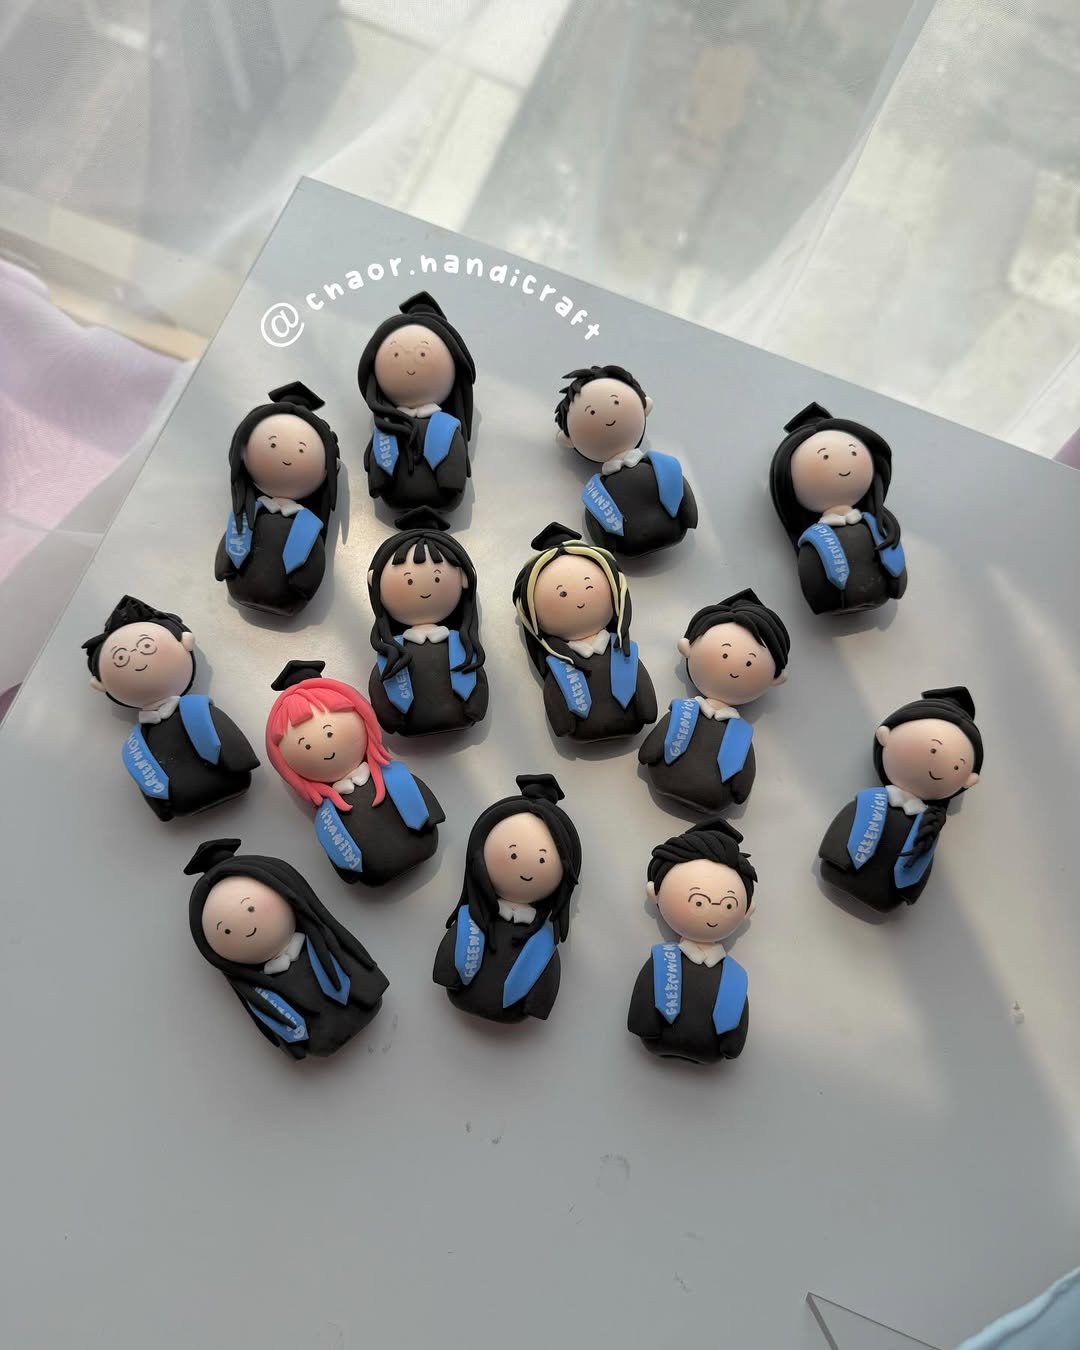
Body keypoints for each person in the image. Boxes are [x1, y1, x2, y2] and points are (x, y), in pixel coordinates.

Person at [185, 838, 388, 1060]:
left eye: (250, 908)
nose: (245, 928)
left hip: (361, 1000)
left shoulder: (328, 946)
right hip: (318, 1041)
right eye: (226, 931)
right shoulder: (263, 996)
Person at [265, 660, 444, 886]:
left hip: (420, 838)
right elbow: (335, 844)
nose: (325, 748)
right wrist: (351, 870)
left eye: (329, 734)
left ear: (363, 718)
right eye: (306, 746)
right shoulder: (327, 816)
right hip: (374, 866)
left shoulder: (395, 776)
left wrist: (431, 817)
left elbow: (419, 798)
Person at [83, 594, 258, 821]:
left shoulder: (198, 709)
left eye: (146, 646)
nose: (136, 659)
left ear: (185, 643)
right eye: (121, 658)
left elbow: (225, 734)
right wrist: (160, 804)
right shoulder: (138, 740)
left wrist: (240, 762)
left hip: (227, 774)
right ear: (101, 685)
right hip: (181, 796)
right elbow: (144, 769)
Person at [818, 686, 984, 912]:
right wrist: (834, 855)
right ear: (885, 736)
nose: (938, 767)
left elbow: (922, 859)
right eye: (933, 750)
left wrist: (908, 892)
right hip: (842, 868)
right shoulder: (870, 802)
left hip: (885, 893)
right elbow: (846, 825)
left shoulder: (928, 826)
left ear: (967, 781)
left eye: (957, 767)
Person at [433, 774, 581, 1023]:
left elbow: (545, 975)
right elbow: (451, 953)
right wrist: (447, 973)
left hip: (513, 1007)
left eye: (542, 859)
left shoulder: (542, 942)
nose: (526, 868)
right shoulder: (472, 922)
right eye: (513, 855)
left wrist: (537, 1002)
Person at [639, 588, 790, 811]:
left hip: (713, 794)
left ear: (775, 678)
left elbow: (744, 772)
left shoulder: (740, 734)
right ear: (687, 648)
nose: (734, 669)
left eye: (749, 662)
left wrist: (740, 786)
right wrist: (650, 752)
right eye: (725, 654)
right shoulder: (683, 712)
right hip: (668, 777)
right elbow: (654, 745)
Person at [512, 522, 657, 742]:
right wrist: (563, 722)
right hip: (584, 728)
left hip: (631, 721)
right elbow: (554, 694)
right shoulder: (560, 666)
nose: (579, 601)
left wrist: (647, 709)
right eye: (562, 594)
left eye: (589, 586)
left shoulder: (622, 652)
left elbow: (640, 682)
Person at [627, 820, 756, 1064]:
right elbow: (646, 992)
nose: (711, 913)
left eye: (728, 905)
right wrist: (645, 1024)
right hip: (659, 1038)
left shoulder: (733, 977)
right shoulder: (662, 961)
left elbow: (739, 1007)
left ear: (747, 910)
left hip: (710, 1048)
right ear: (655, 893)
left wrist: (732, 1042)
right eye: (699, 902)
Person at [214, 382, 340, 616]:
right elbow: (233, 539)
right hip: (243, 586)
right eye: (272, 444)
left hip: (290, 596)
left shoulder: (308, 525)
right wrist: (225, 566)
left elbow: (314, 557)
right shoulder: (247, 515)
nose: (286, 458)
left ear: (326, 470)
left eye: (302, 449)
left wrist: (305, 583)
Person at [769, 401, 907, 615]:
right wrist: (823, 599)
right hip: (838, 602)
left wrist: (896, 582)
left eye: (853, 453)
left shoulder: (876, 525)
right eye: (825, 457)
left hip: (879, 593)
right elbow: (812, 573)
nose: (844, 466)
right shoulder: (814, 538)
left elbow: (892, 554)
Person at [366, 507, 487, 735]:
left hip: (459, 715)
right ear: (377, 586)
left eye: (437, 578)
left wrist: (475, 706)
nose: (423, 590)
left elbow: (475, 676)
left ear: (464, 579)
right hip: (409, 722)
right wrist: (390, 717)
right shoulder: (392, 652)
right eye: (409, 581)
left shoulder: (462, 647)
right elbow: (381, 682)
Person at [554, 364, 697, 556]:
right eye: (592, 412)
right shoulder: (596, 492)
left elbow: (678, 487)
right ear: (568, 440)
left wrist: (688, 516)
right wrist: (609, 547)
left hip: (671, 527)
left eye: (615, 402)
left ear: (645, 406)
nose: (607, 417)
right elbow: (596, 517)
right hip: (631, 544)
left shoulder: (662, 466)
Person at [357, 292, 476, 511]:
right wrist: (379, 481)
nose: (409, 365)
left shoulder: (447, 427)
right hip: (395, 497)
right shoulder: (386, 429)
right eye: (395, 355)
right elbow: (380, 461)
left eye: (422, 353)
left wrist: (451, 481)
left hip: (441, 496)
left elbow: (453, 460)